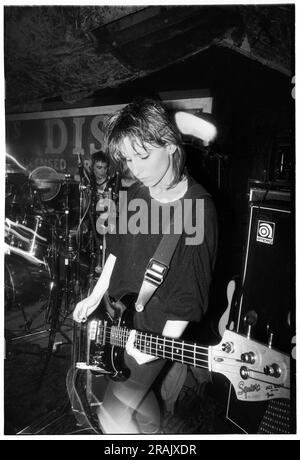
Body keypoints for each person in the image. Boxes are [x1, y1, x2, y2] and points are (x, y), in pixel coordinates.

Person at [73, 98, 218, 434]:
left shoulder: (198, 209)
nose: (134, 168)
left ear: (170, 145)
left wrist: (157, 346)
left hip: (157, 331)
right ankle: (156, 432)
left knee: (112, 417)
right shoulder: (137, 193)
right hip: (118, 316)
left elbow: (190, 293)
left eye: (142, 156)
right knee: (131, 399)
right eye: (127, 158)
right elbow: (118, 251)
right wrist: (96, 296)